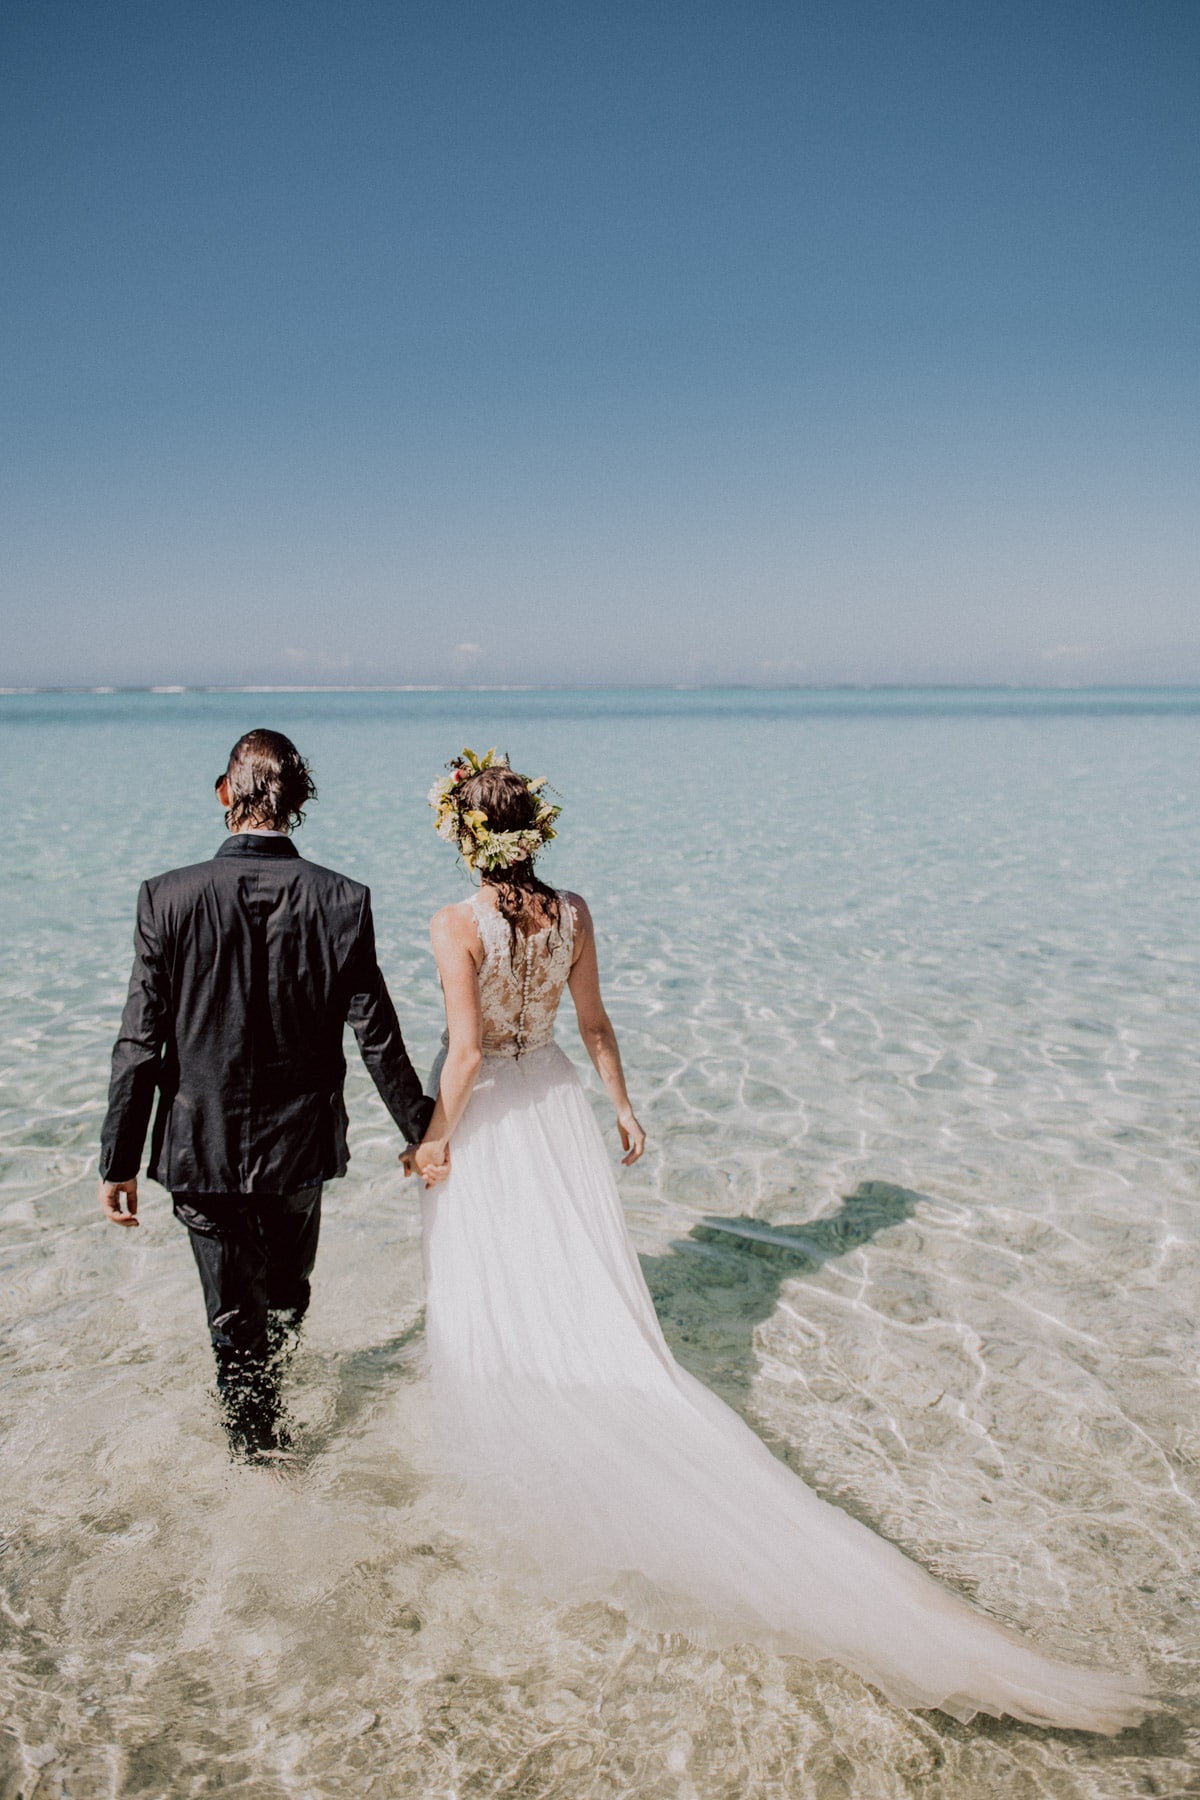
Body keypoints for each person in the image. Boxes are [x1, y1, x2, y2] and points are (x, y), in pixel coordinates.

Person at [410, 746, 1150, 1732]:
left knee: (497, 1273)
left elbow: (464, 1051)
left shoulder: (454, 925)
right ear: (532, 831)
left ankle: (519, 1377)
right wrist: (624, 1109)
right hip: (553, 1102)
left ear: (464, 836)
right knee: (574, 1275)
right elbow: (592, 1024)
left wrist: (433, 1140)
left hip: (498, 1109)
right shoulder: (575, 913)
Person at [98, 728, 434, 1458]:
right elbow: (377, 1035)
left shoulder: (167, 896)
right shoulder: (343, 898)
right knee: (286, 1292)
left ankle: (258, 1456)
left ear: (225, 794)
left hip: (201, 1146)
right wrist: (425, 1131)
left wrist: (118, 1159)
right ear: (299, 800)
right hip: (300, 1148)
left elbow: (139, 1041)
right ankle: (272, 1427)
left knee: (233, 1318)